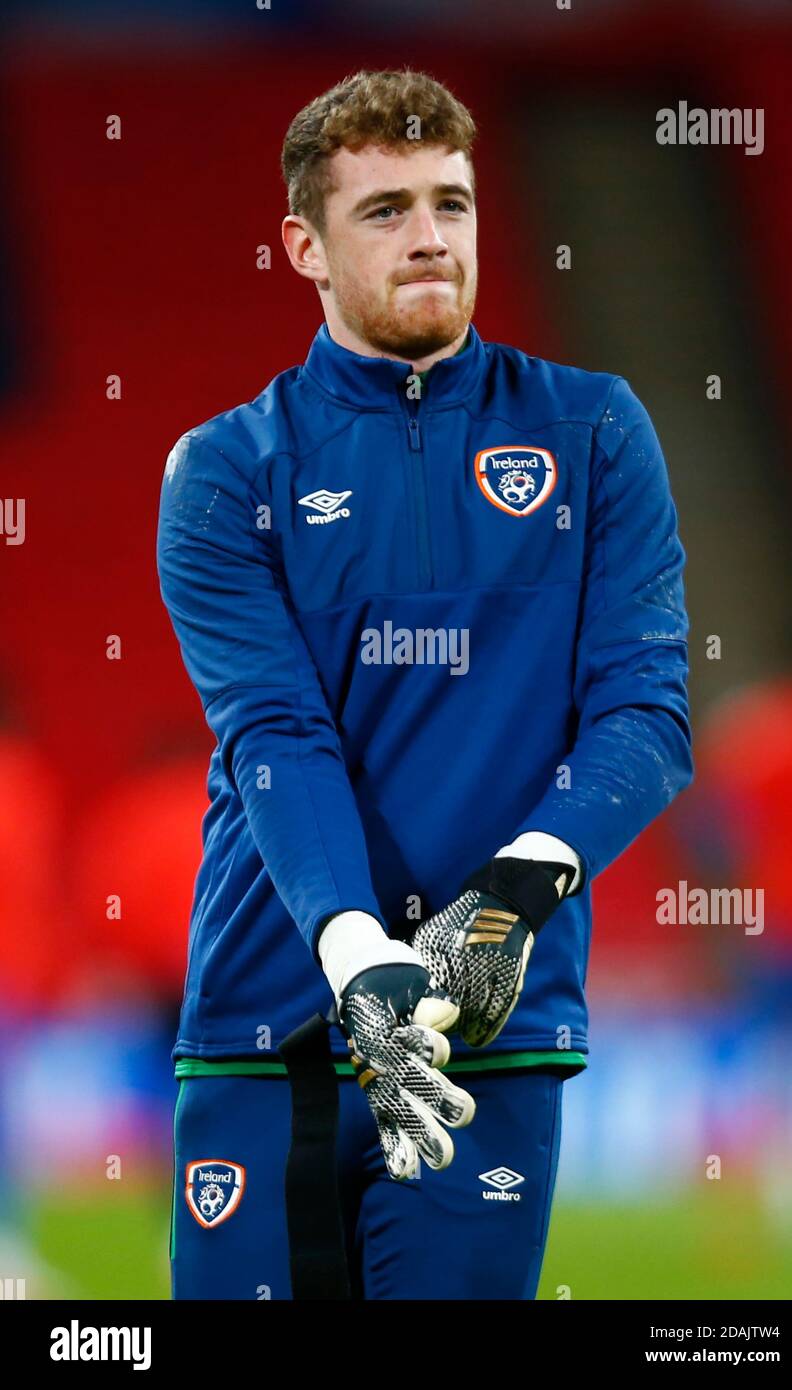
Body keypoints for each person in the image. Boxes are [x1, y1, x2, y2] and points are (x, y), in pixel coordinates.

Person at [157, 67, 693, 1301]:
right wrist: (362, 959)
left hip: (484, 1036)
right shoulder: (227, 468)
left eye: (451, 203)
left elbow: (645, 715)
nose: (430, 239)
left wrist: (503, 903)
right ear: (303, 244)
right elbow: (274, 736)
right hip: (271, 1025)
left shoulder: (594, 430)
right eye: (386, 209)